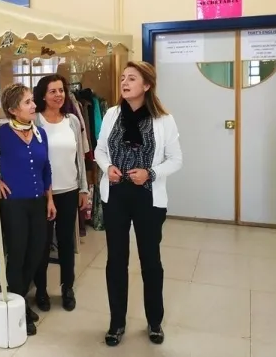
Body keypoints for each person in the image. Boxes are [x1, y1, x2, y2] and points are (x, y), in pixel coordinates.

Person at [94, 61, 182, 347]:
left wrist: (150, 173)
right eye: (123, 78)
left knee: (150, 260)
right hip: (116, 195)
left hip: (148, 197)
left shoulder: (164, 120)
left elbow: (176, 160)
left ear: (146, 85)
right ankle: (116, 322)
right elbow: (99, 150)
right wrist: (107, 167)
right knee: (116, 261)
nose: (124, 82)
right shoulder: (112, 114)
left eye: (132, 78)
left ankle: (154, 321)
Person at [0, 82, 56, 336]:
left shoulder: (40, 132)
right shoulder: (1, 134)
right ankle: (17, 308)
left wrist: (50, 199)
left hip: (38, 202)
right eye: (28, 102)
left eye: (33, 100)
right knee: (18, 254)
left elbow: (46, 168)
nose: (34, 105)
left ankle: (19, 299)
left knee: (37, 252)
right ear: (13, 109)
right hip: (14, 205)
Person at [31, 74, 89, 312]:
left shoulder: (73, 121)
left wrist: (83, 188)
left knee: (66, 242)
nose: (59, 95)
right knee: (42, 244)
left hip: (69, 190)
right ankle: (41, 290)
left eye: (61, 90)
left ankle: (67, 288)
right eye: (52, 91)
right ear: (43, 95)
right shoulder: (34, 121)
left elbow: (80, 159)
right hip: (43, 193)